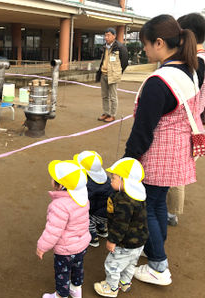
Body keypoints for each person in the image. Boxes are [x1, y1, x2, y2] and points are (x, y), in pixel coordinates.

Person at [124, 14, 202, 286]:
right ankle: (154, 248)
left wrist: (128, 160)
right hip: (177, 151)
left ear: (159, 43)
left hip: (158, 153)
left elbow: (143, 129)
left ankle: (158, 265)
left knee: (149, 207)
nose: (144, 50)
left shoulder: (160, 81)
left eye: (145, 44)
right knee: (157, 204)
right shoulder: (189, 69)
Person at [166, 13, 205, 226]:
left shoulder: (196, 62)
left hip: (188, 123)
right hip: (198, 123)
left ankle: (171, 213)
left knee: (176, 171)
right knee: (179, 169)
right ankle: (171, 211)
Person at [94, 158, 148, 297]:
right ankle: (124, 283)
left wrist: (112, 240)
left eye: (114, 178)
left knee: (112, 264)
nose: (111, 180)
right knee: (130, 263)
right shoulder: (138, 195)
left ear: (125, 181)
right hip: (139, 241)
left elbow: (120, 224)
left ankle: (111, 288)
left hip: (125, 242)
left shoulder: (124, 201)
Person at [37, 160, 91, 298]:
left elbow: (53, 231)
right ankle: (76, 290)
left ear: (60, 185)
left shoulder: (59, 205)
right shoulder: (83, 198)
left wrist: (42, 246)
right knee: (77, 268)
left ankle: (61, 295)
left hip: (66, 250)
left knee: (62, 273)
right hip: (82, 245)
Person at [74, 151, 113, 247]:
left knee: (88, 220)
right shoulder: (104, 177)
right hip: (107, 211)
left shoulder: (89, 184)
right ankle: (102, 229)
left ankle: (93, 237)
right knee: (100, 216)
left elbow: (87, 201)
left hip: (99, 212)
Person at [96, 27, 128, 123]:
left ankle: (113, 115)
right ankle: (106, 113)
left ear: (114, 36)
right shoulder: (104, 47)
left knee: (113, 97)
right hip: (103, 74)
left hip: (113, 75)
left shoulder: (120, 47)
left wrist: (117, 72)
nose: (106, 37)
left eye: (108, 35)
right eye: (105, 35)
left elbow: (125, 62)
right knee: (105, 96)